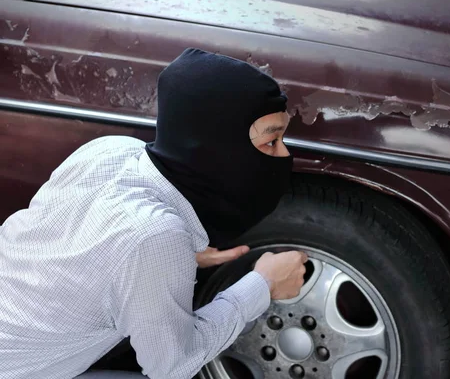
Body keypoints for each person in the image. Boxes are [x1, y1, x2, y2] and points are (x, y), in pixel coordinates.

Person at [0, 48, 307, 379]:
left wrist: (177, 257)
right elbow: (172, 366)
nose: (284, 154)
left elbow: (81, 254)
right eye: (271, 141)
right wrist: (263, 285)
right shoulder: (154, 236)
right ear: (219, 145)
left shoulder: (109, 151)